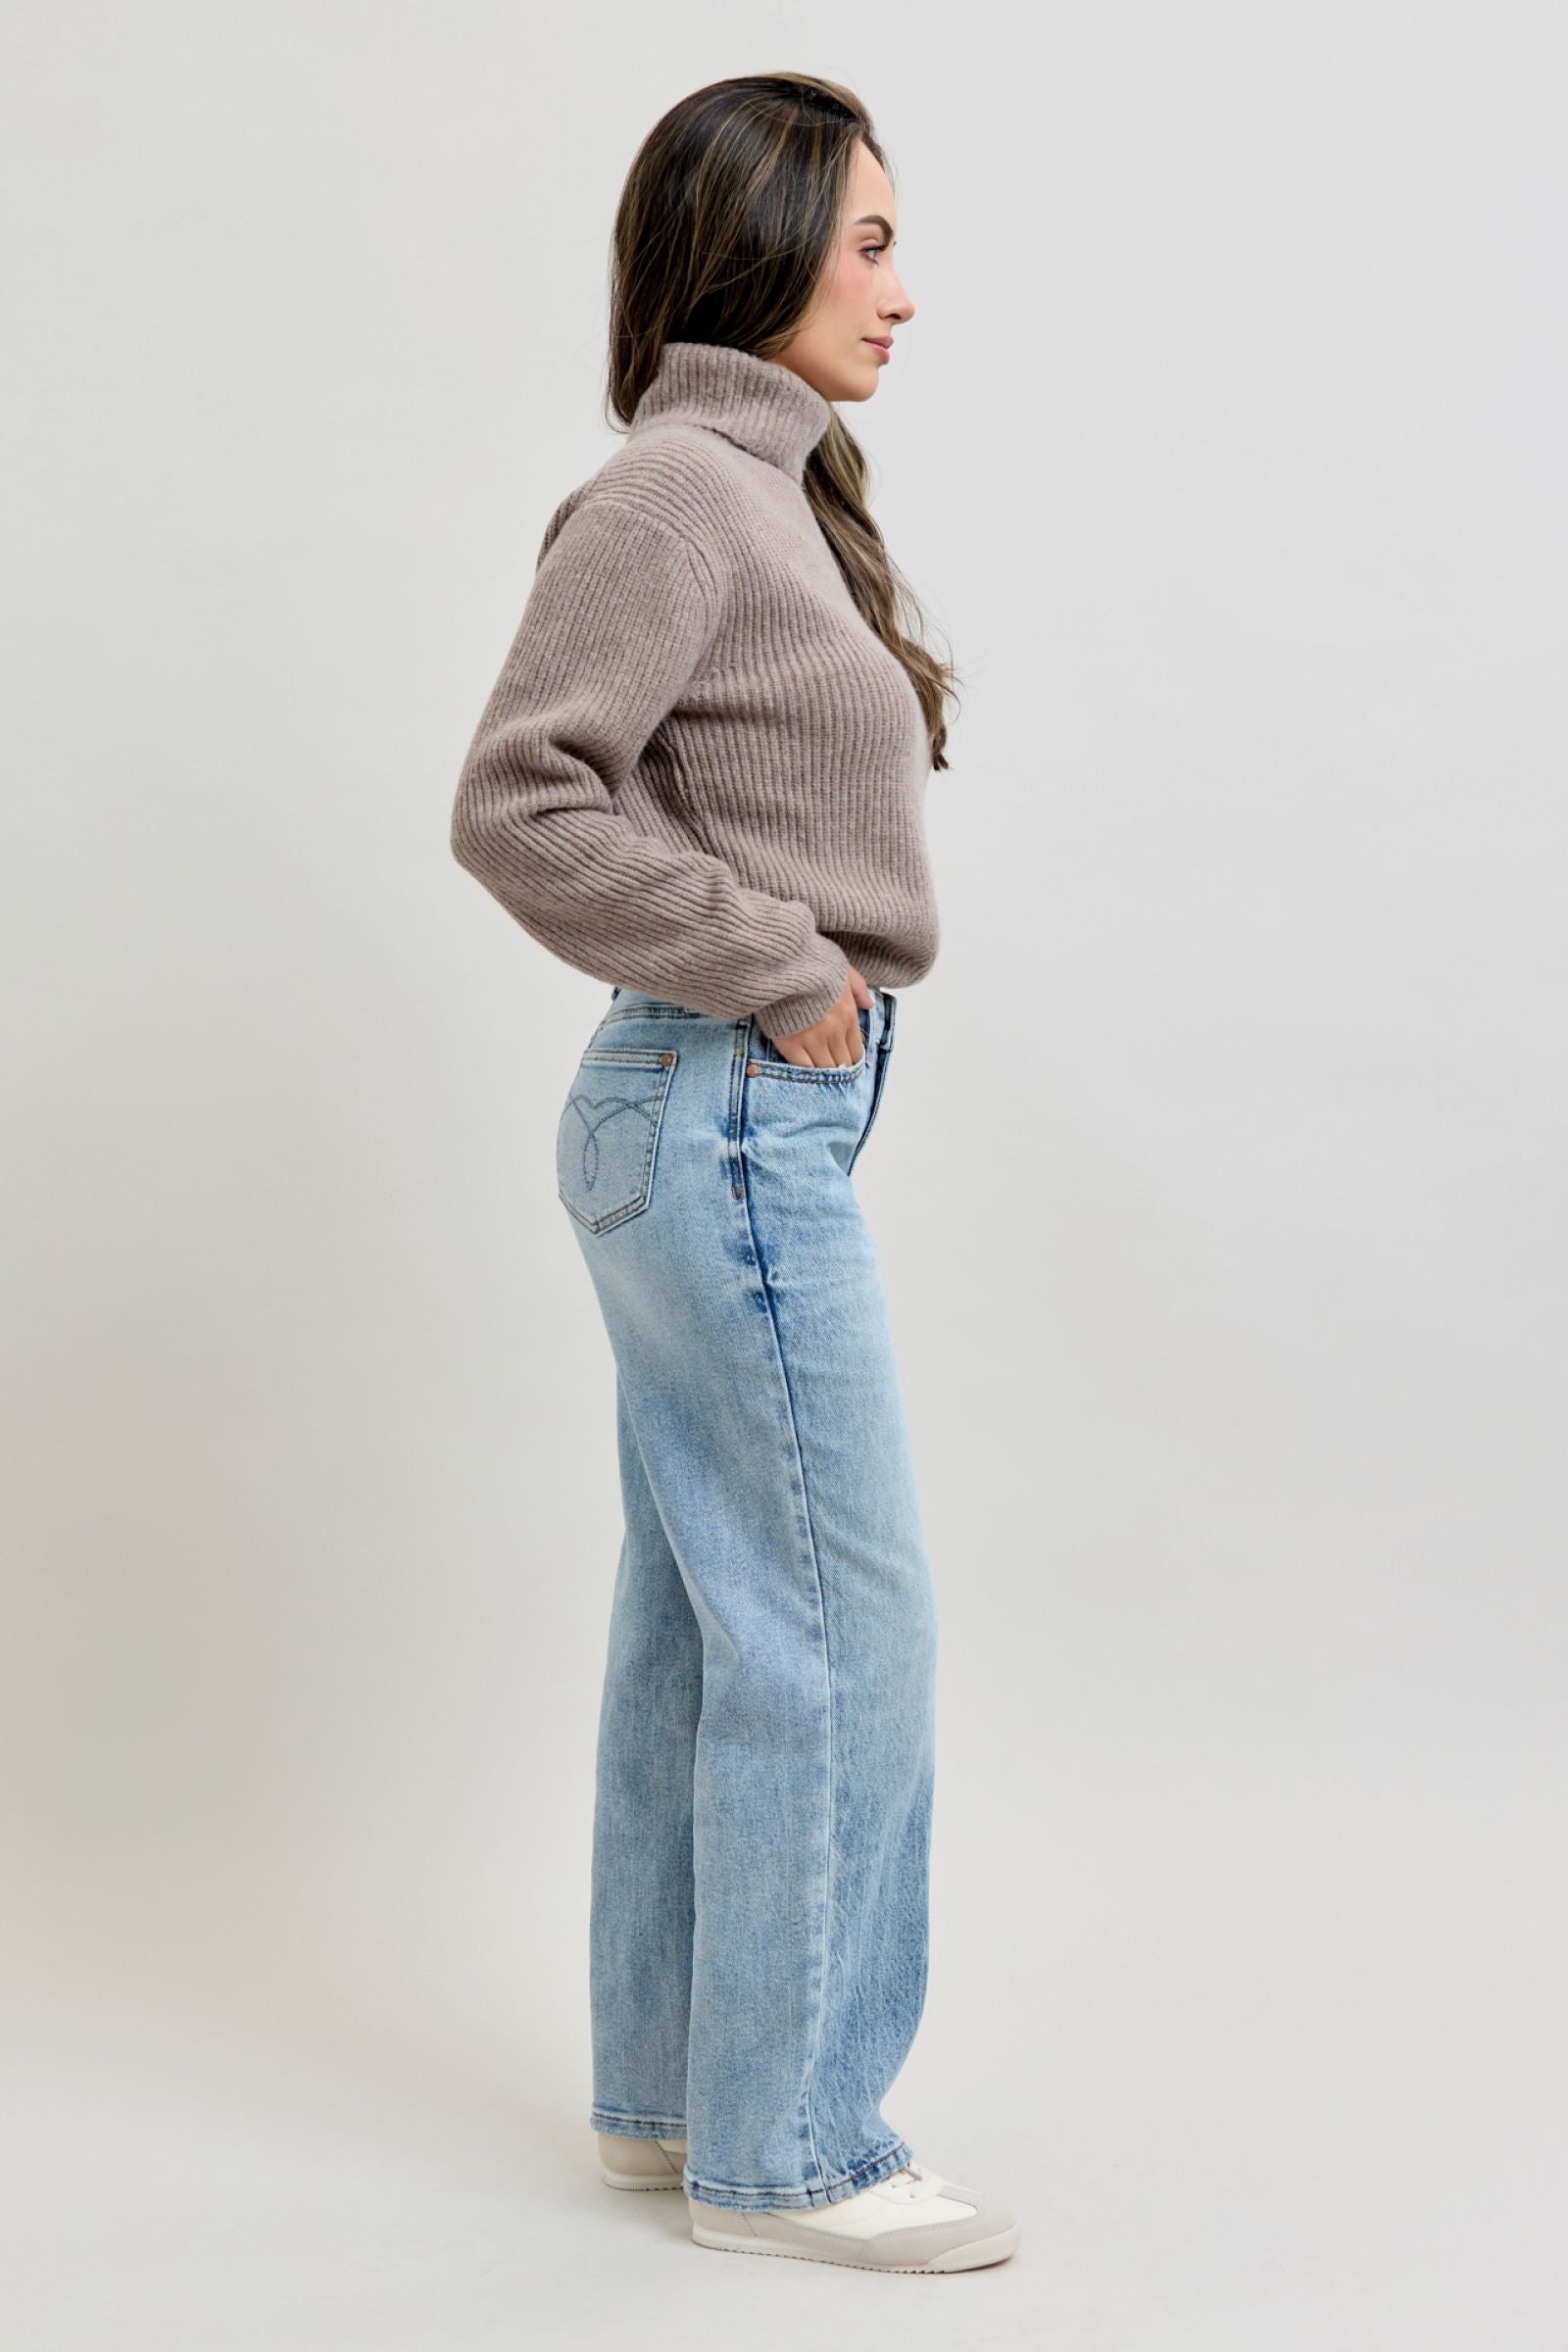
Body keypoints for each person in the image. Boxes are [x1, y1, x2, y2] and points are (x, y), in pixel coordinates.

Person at [450, 72, 1019, 2275]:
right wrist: (780, 965)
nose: (902, 288)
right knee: (840, 1628)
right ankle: (795, 2155)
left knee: (711, 1619)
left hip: (719, 1110)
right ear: (760, 239)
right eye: (867, 239)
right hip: (718, 1102)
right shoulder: (679, 496)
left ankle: (677, 2098)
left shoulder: (761, 495)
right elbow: (521, 800)